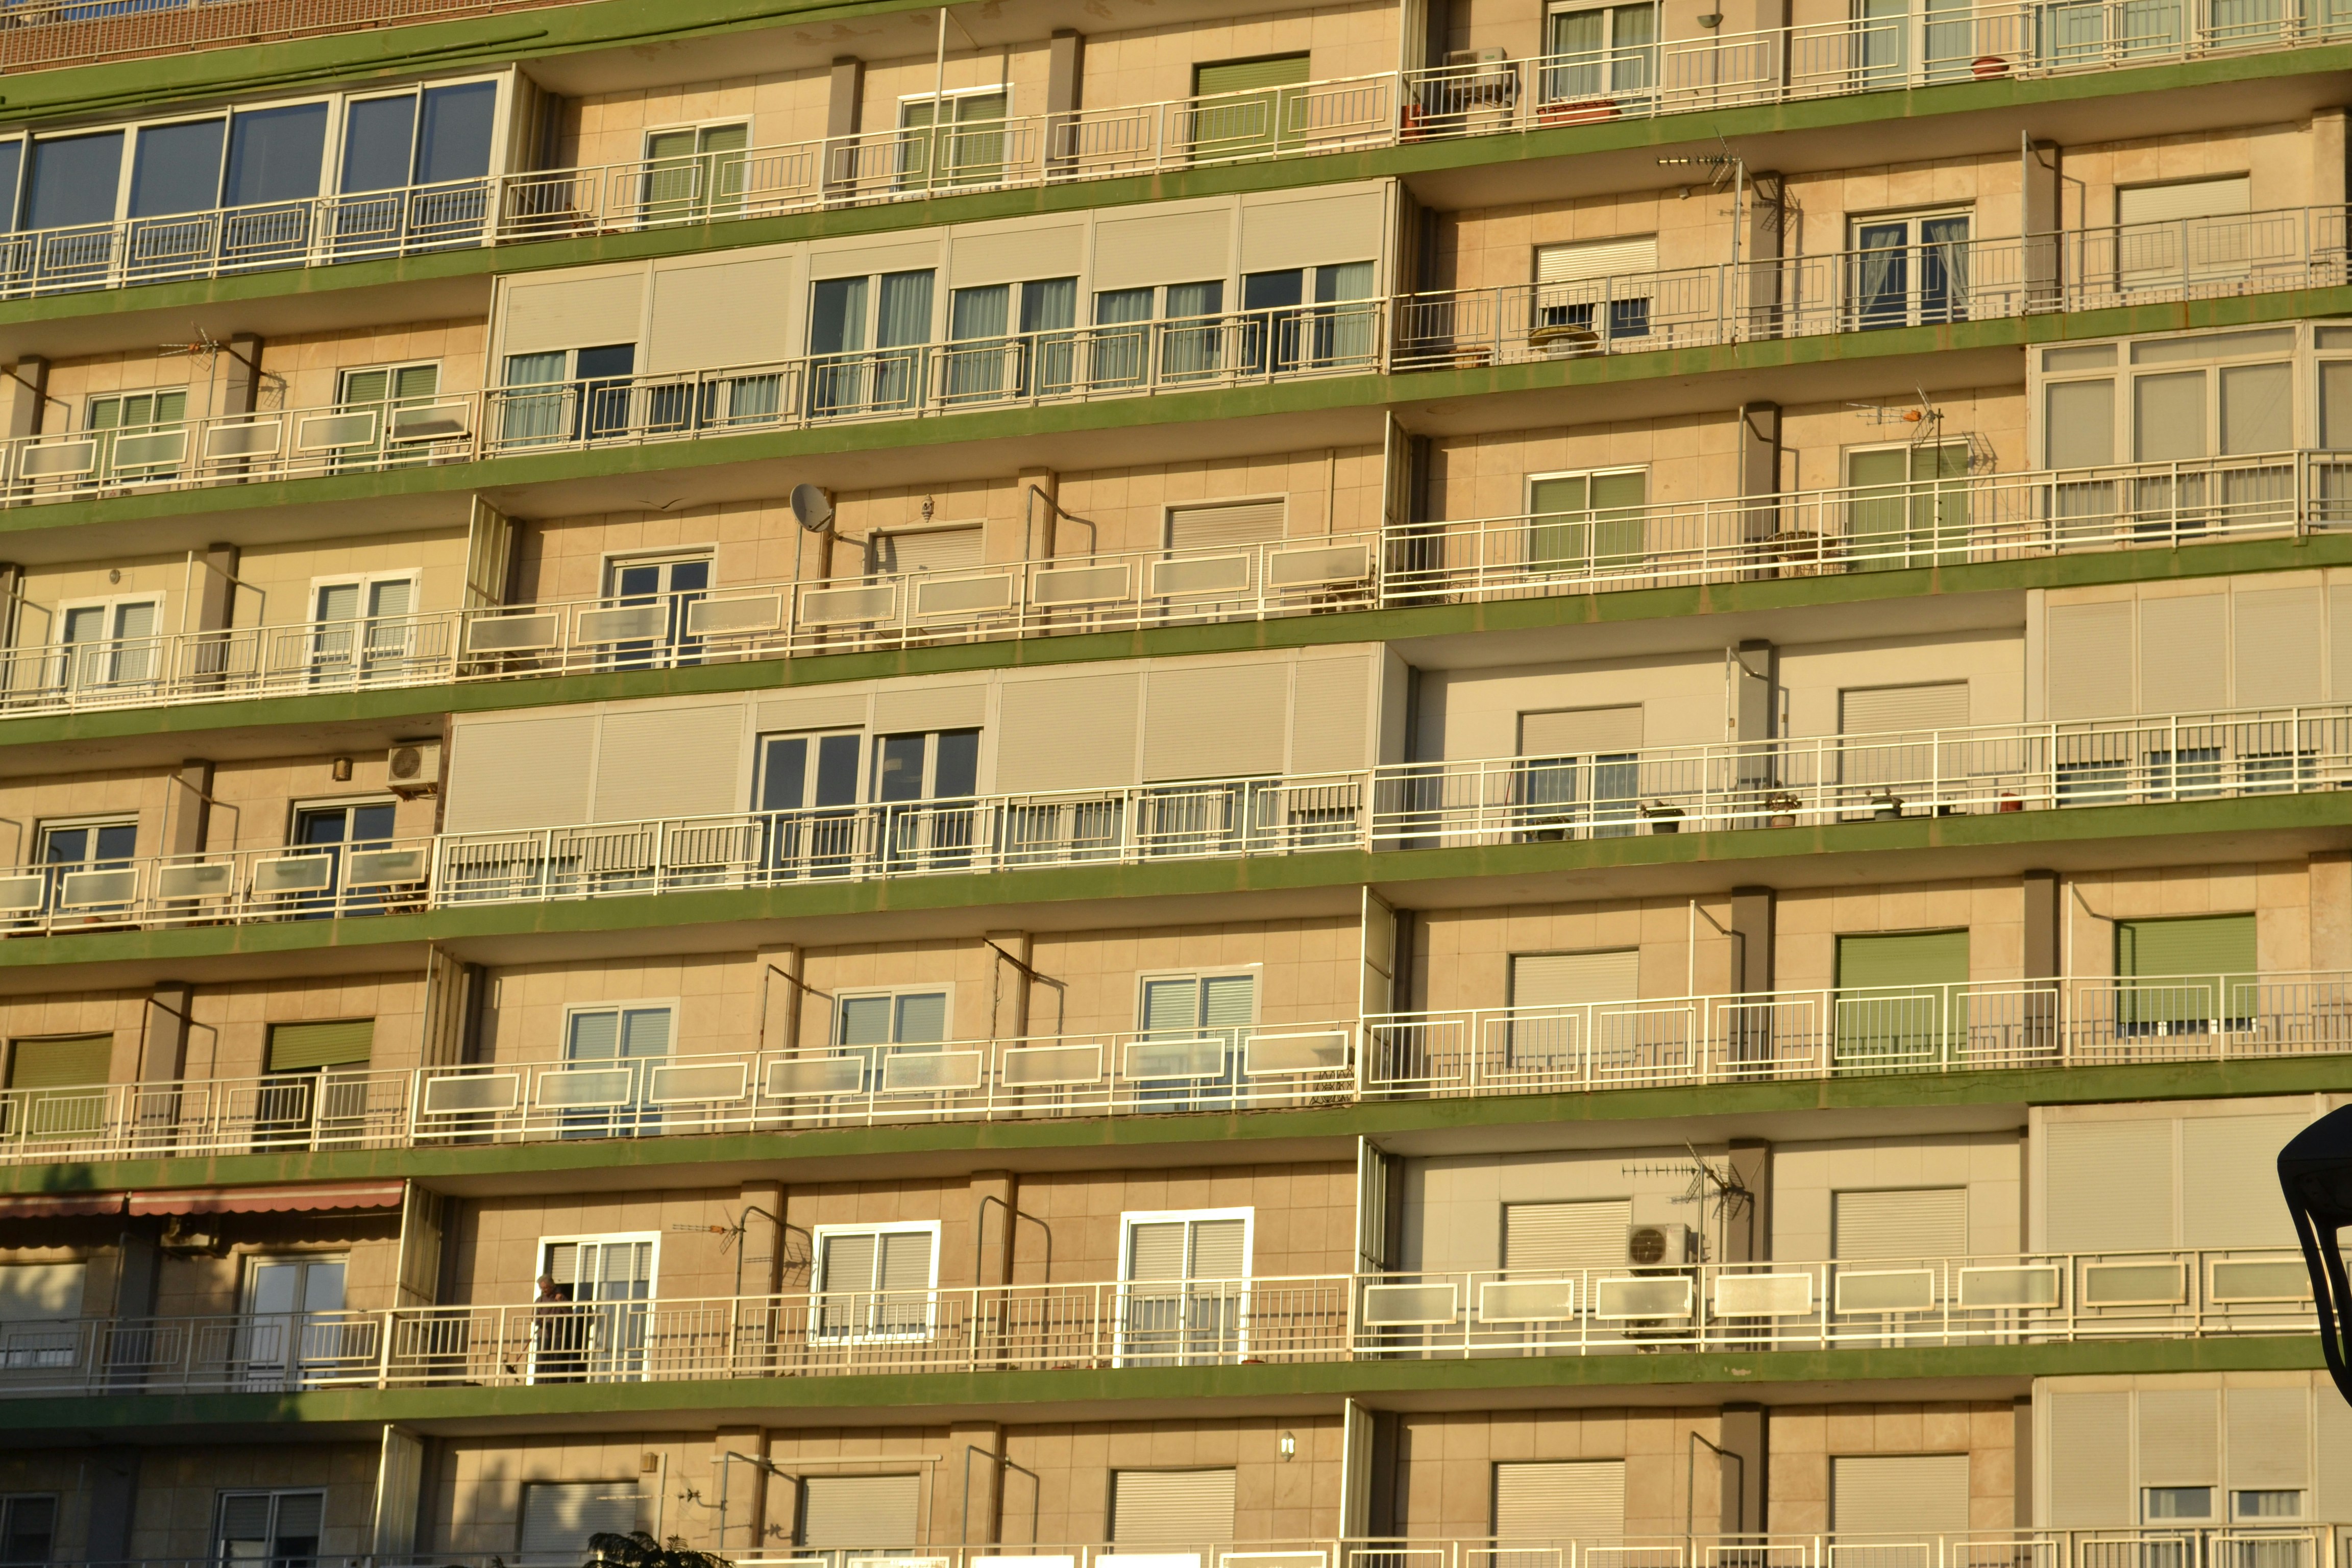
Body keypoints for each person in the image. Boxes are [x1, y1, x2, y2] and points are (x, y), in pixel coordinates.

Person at [533, 1272, 584, 1382]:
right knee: (541, 1359)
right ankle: (539, 1381)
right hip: (544, 1334)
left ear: (551, 1286)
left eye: (546, 1287)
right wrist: (540, 1321)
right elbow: (534, 1318)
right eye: (542, 1288)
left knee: (556, 1358)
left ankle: (555, 1381)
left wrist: (561, 1302)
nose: (544, 1290)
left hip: (557, 1334)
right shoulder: (539, 1301)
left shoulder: (560, 1297)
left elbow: (569, 1313)